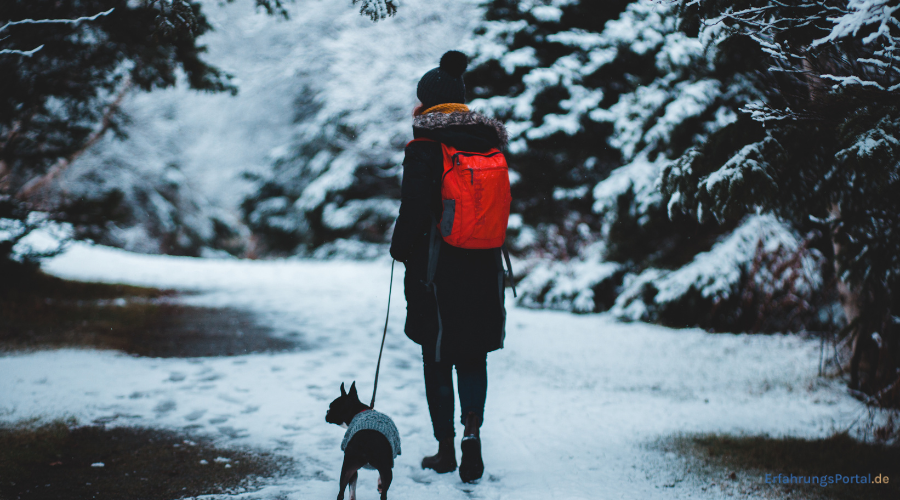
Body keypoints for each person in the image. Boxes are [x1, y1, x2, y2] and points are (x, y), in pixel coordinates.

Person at [389, 50, 509, 484]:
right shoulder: (489, 142)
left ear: (425, 103)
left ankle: (444, 450)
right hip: (484, 265)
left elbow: (417, 208)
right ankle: (472, 434)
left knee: (437, 356)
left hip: (436, 268)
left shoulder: (425, 146)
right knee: (473, 354)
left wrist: (399, 248)